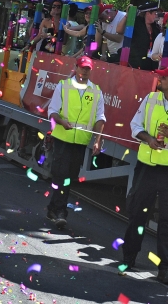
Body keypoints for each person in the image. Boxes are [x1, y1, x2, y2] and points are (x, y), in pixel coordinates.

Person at [120, 64, 168, 284]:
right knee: (137, 213)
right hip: (145, 166)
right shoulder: (150, 99)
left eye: (163, 78)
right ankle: (128, 257)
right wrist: (149, 139)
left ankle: (166, 269)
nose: (159, 79)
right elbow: (135, 126)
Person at [46, 55, 105, 230]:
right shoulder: (63, 86)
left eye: (88, 69)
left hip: (80, 142)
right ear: (76, 67)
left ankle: (53, 209)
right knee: (60, 174)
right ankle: (60, 212)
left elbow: (100, 118)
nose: (85, 71)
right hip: (63, 138)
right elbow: (53, 111)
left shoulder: (96, 91)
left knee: (68, 177)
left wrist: (98, 140)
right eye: (82, 68)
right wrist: (62, 122)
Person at [127, 3, 162, 70]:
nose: (156, 16)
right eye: (155, 13)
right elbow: (119, 30)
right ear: (148, 13)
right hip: (135, 61)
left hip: (150, 63)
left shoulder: (156, 28)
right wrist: (127, 15)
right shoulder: (135, 23)